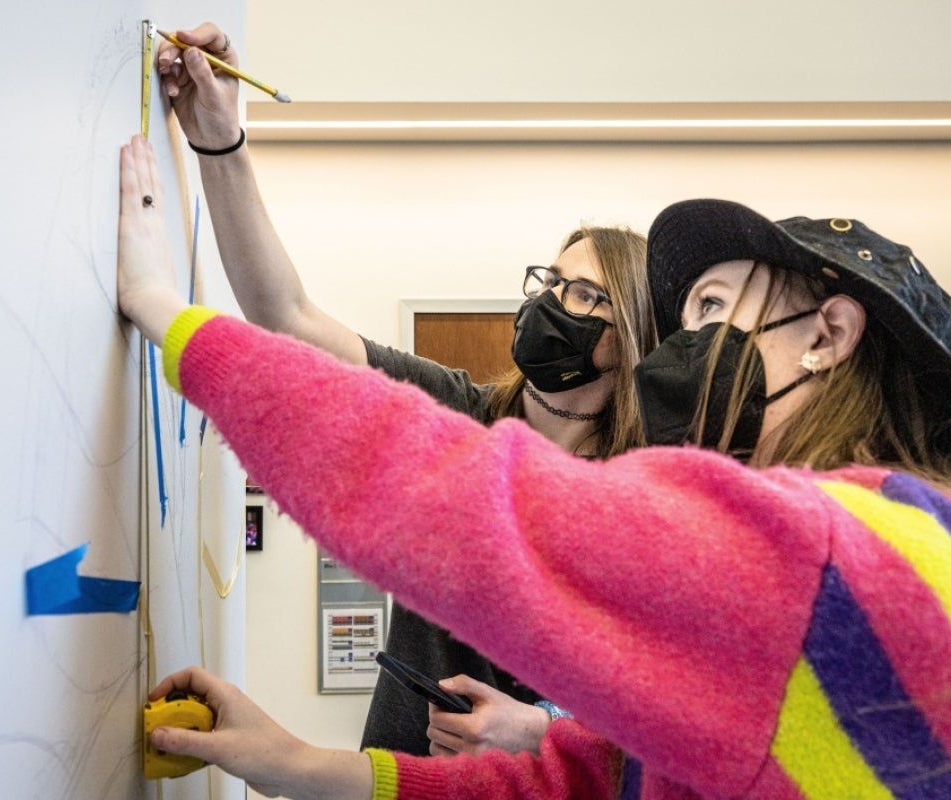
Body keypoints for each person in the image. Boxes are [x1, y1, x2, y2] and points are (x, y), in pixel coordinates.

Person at [120, 131, 951, 797]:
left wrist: (167, 314)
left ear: (829, 336)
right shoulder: (878, 541)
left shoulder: (814, 549)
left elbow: (444, 500)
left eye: (710, 308)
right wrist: (291, 761)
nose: (690, 346)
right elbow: (591, 776)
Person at [156, 22, 657, 758]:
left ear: (634, 334)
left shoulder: (645, 489)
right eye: (550, 282)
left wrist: (539, 729)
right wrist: (220, 141)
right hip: (397, 775)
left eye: (585, 295)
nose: (552, 304)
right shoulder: (457, 411)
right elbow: (285, 316)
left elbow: (663, 700)